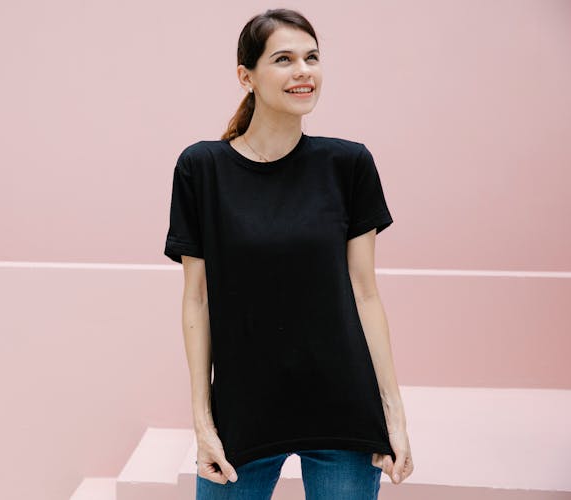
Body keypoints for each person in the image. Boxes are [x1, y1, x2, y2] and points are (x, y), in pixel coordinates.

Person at [164, 8, 414, 499]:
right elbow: (197, 301)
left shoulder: (348, 164)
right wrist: (202, 421)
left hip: (344, 410)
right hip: (244, 414)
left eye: (312, 57)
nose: (304, 71)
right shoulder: (202, 169)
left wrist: (394, 415)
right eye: (283, 59)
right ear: (246, 76)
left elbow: (365, 293)